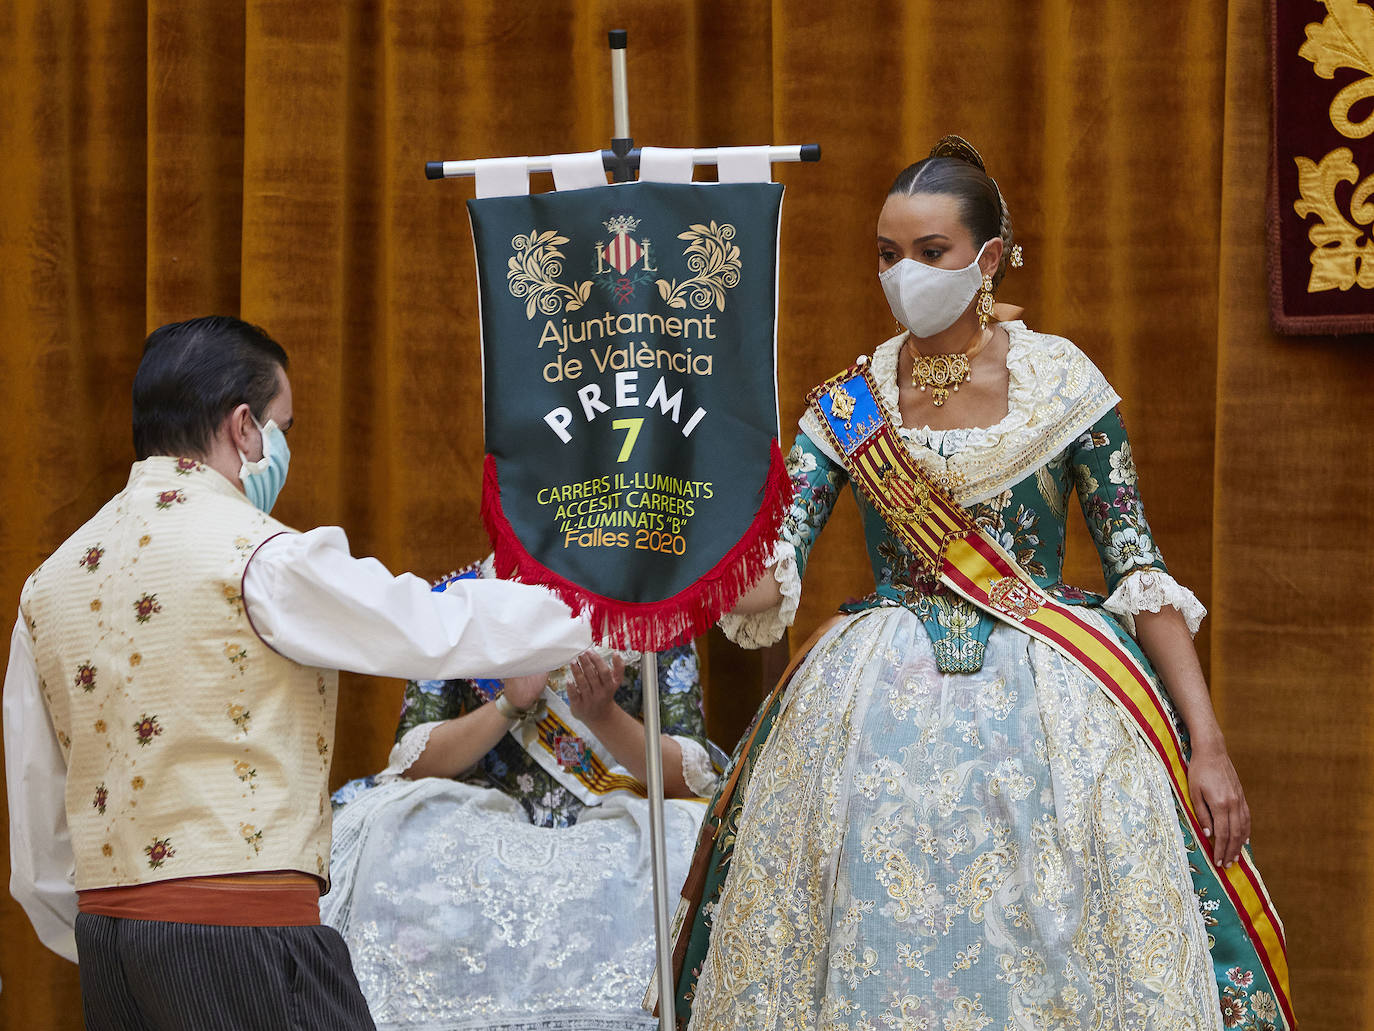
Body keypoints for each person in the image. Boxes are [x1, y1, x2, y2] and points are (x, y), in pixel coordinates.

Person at [671, 138, 1292, 1031]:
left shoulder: (1062, 382)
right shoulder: (851, 404)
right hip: (869, 712)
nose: (903, 274)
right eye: (888, 255)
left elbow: (1139, 568)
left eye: (930, 253)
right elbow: (776, 570)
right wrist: (709, 565)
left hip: (1057, 702)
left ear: (988, 258)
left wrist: (1208, 742)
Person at [3, 316, 591, 1030]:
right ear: (244, 427)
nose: (284, 444)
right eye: (284, 424)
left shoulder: (48, 585)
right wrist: (609, 607)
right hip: (243, 933)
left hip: (110, 944)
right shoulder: (259, 558)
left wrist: (103, 926)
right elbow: (433, 627)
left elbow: (37, 816)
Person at [322, 557, 718, 1031]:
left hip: (619, 818)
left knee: (682, 854)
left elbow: (690, 779)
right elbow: (414, 762)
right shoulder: (461, 596)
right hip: (482, 818)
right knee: (392, 844)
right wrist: (511, 702)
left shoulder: (654, 601)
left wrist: (602, 716)